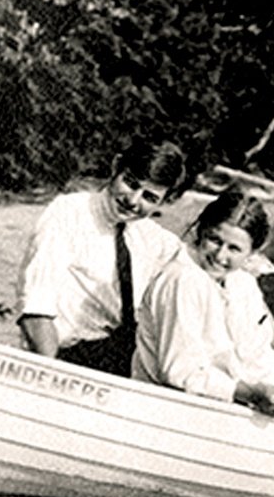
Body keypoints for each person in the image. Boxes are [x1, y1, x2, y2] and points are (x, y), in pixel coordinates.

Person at [132, 190, 274, 427]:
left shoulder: (243, 283)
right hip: (171, 409)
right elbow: (179, 370)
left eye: (234, 249)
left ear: (252, 253)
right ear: (200, 231)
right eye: (214, 240)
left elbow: (257, 354)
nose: (220, 255)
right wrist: (248, 393)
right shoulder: (182, 279)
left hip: (225, 403)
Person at [18, 142, 194, 377]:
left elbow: (204, 277)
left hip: (124, 359)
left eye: (149, 197)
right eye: (130, 183)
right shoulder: (68, 214)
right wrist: (53, 375)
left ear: (165, 201)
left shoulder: (155, 240)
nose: (133, 201)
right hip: (67, 358)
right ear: (116, 166)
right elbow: (35, 310)